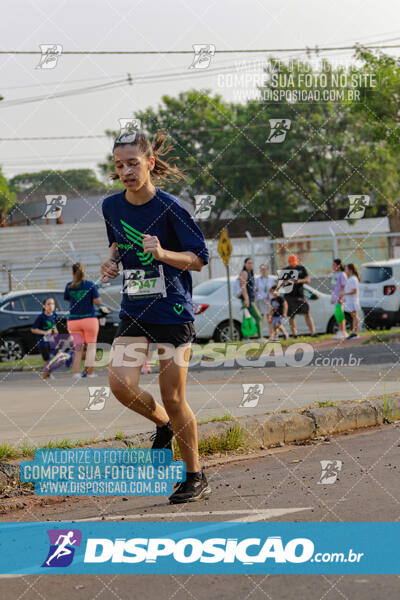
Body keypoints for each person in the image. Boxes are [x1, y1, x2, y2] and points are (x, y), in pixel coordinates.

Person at [100, 129, 211, 504]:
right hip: (135, 308)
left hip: (173, 312)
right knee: (120, 383)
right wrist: (112, 261)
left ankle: (195, 475)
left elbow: (198, 258)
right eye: (119, 165)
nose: (126, 171)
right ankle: (162, 425)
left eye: (133, 163)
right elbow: (118, 244)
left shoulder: (171, 207)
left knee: (174, 396)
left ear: (149, 163)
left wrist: (164, 254)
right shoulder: (111, 207)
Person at [64, 262, 102, 378]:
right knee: (91, 348)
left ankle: (76, 373)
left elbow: (67, 299)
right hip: (89, 319)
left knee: (78, 349)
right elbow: (97, 301)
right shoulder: (90, 285)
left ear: (73, 273)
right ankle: (90, 373)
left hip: (73, 321)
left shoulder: (69, 286)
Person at [281, 254, 316, 337]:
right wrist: (288, 281)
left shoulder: (301, 268)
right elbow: (281, 283)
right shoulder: (285, 270)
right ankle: (295, 334)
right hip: (289, 296)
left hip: (300, 295)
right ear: (289, 262)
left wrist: (299, 281)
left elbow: (308, 280)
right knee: (292, 316)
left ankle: (313, 333)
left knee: (307, 313)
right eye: (291, 262)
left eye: (294, 262)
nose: (293, 264)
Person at [31, 297, 59, 379]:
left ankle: (47, 374)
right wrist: (44, 332)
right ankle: (44, 377)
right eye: (48, 304)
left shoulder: (54, 315)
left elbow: (53, 324)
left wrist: (55, 330)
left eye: (53, 304)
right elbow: (33, 329)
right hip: (42, 342)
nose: (51, 306)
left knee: (53, 359)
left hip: (51, 341)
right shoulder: (41, 317)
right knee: (48, 360)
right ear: (44, 306)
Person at [239, 257, 264, 341]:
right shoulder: (244, 273)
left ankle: (246, 338)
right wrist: (246, 299)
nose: (250, 265)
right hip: (247, 300)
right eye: (248, 263)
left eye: (252, 263)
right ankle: (259, 337)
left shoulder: (250, 273)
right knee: (258, 317)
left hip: (251, 300)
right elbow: (242, 286)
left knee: (246, 318)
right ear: (244, 264)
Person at [255, 264, 275, 338]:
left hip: (269, 300)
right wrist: (256, 302)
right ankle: (260, 336)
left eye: (265, 269)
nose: (263, 271)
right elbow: (255, 291)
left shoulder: (271, 279)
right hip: (260, 300)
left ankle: (271, 335)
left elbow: (274, 290)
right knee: (260, 318)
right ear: (260, 270)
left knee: (269, 318)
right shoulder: (257, 280)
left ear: (268, 270)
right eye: (262, 269)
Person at [342, 263, 361, 340]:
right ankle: (354, 332)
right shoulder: (351, 278)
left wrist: (344, 293)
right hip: (350, 301)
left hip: (353, 301)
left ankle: (355, 333)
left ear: (350, 270)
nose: (345, 271)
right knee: (354, 317)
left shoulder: (353, 279)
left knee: (355, 317)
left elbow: (354, 291)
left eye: (346, 269)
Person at [331, 258, 348, 339]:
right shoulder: (335, 274)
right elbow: (334, 287)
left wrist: (340, 298)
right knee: (337, 315)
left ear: (338, 265)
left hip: (340, 298)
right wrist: (332, 298)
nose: (333, 266)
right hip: (335, 298)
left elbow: (344, 287)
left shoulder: (342, 274)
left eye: (334, 265)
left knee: (340, 315)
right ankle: (341, 331)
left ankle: (343, 331)